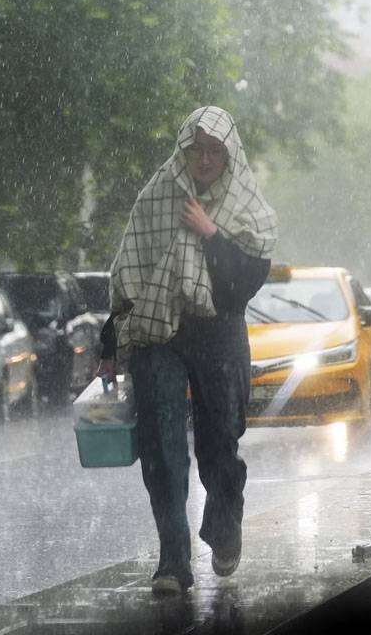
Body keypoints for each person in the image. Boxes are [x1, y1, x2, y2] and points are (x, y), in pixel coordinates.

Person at [98, 106, 277, 596]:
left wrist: (211, 235)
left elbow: (244, 285)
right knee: (162, 448)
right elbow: (128, 270)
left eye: (213, 150)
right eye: (195, 149)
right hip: (161, 334)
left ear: (228, 155)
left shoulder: (246, 208)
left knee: (220, 441)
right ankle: (173, 561)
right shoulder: (157, 197)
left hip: (219, 331)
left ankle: (224, 531)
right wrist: (111, 339)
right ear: (183, 150)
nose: (203, 159)